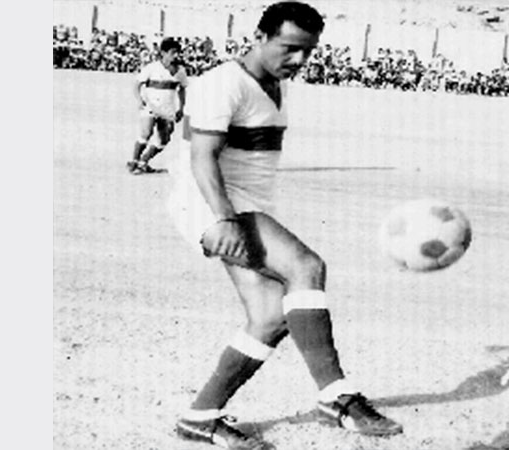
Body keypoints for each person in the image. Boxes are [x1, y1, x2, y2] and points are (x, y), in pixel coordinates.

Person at [167, 2, 403, 448]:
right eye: (290, 48)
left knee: (270, 317)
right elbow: (201, 159)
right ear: (259, 36)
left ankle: (200, 416)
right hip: (214, 202)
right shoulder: (222, 83)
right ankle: (336, 397)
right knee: (305, 267)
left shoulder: (274, 83)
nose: (299, 60)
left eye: (308, 51)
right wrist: (224, 218)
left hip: (242, 202)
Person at [127, 37, 187, 175]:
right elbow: (136, 85)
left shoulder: (180, 71)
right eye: (172, 52)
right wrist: (139, 100)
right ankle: (134, 162)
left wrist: (182, 108)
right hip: (150, 106)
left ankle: (144, 161)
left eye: (177, 52)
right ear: (163, 53)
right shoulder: (152, 68)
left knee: (164, 139)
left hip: (167, 109)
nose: (176, 55)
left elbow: (182, 89)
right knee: (146, 133)